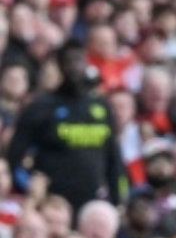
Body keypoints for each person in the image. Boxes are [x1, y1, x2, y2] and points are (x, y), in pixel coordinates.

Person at [5, 40, 127, 212]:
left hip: (92, 203)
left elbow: (114, 160)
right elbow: (14, 157)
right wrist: (29, 185)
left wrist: (119, 201)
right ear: (60, 66)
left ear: (87, 62)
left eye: (79, 60)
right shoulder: (41, 107)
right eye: (69, 61)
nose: (74, 67)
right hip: (52, 205)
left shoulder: (101, 106)